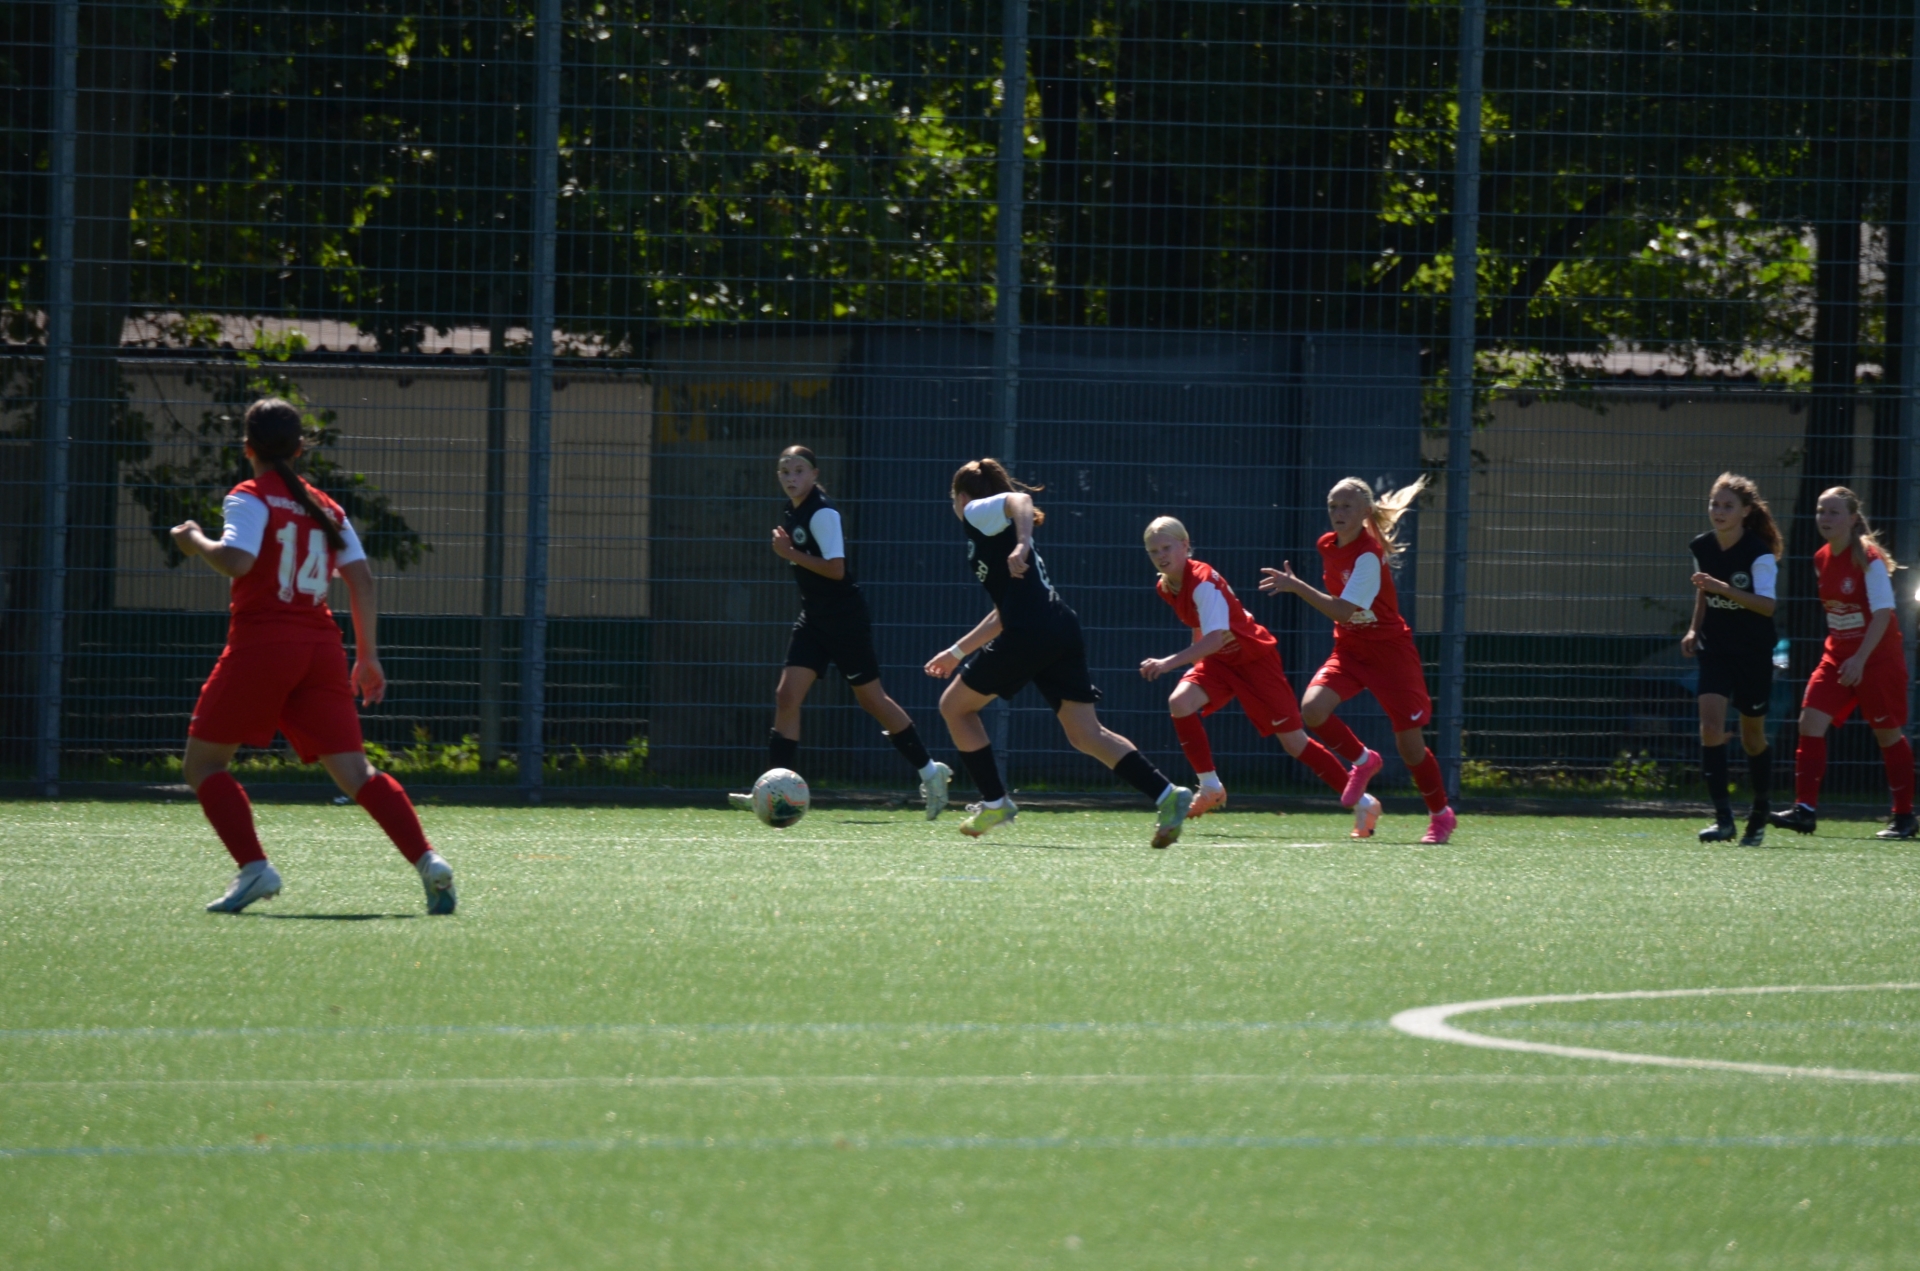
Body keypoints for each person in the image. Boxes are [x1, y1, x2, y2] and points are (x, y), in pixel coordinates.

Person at [169, 398, 456, 914]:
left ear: (247, 448)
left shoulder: (249, 496)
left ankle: (255, 868)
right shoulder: (327, 507)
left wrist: (194, 539)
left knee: (204, 764)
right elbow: (362, 581)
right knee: (356, 774)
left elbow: (237, 561)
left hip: (264, 646)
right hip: (321, 649)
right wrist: (368, 657)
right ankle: (428, 861)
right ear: (300, 449)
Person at [924, 459, 1193, 846]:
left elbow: (1018, 499)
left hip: (1032, 633)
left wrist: (1022, 541)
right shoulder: (989, 531)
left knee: (955, 707)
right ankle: (1168, 795)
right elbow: (1004, 612)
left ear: (962, 496)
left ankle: (995, 801)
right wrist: (956, 651)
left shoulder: (974, 512)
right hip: (1058, 627)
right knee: (1085, 733)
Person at [728, 445, 951, 816]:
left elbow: (835, 569)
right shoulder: (793, 510)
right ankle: (771, 789)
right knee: (786, 697)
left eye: (799, 470)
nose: (791, 478)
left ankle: (931, 773)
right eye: (784, 471)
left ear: (815, 475)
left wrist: (790, 554)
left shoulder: (823, 513)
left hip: (844, 620)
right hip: (814, 619)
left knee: (872, 700)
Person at [1260, 476, 1456, 844]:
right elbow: (1346, 619)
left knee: (1410, 747)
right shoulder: (1327, 545)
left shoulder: (1369, 555)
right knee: (1313, 710)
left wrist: (1296, 585)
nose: (1338, 512)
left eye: (1347, 506)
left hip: (1390, 654)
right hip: (1351, 649)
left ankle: (1441, 815)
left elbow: (1345, 610)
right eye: (1333, 506)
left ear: (1366, 512)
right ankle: (1365, 761)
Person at [1139, 516, 1361, 820]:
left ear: (1186, 546)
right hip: (1220, 662)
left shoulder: (1202, 581)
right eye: (1153, 551)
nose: (1161, 555)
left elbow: (1215, 638)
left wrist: (1168, 663)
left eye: (1167, 547)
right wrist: (1195, 662)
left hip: (1254, 660)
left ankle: (1363, 802)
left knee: (1294, 742)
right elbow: (1201, 627)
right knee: (1180, 702)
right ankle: (1210, 786)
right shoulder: (1167, 587)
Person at [1770, 486, 1915, 840]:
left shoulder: (1869, 559)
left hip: (1876, 660)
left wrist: (1861, 659)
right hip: (1837, 656)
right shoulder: (1821, 558)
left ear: (1852, 519)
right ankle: (1805, 810)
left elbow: (1883, 613)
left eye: (1834, 512)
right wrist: (1846, 657)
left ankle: (1904, 817)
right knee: (1809, 722)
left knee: (1887, 735)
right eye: (1821, 511)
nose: (1825, 518)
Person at [1681, 473, 1781, 845]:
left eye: (1727, 506)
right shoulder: (1702, 546)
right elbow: (1703, 593)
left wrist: (1725, 589)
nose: (1719, 512)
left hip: (1753, 654)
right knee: (1710, 726)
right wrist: (1694, 630)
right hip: (1715, 649)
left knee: (1753, 738)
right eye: (1714, 504)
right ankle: (1723, 818)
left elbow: (1768, 606)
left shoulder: (1759, 554)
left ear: (1746, 512)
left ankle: (1759, 812)